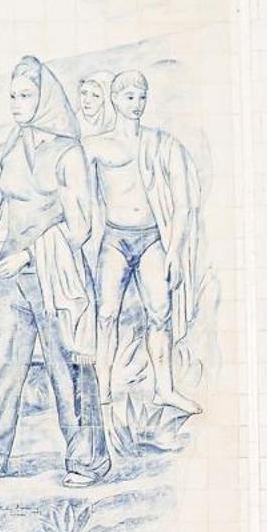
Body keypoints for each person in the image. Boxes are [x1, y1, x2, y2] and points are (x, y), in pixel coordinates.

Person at [0, 55, 108, 488]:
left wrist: (28, 256)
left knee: (69, 369)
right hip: (8, 277)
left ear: (45, 99)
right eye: (12, 96)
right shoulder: (8, 151)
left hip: (57, 275)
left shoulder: (69, 154)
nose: (16, 104)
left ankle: (87, 460)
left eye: (25, 96)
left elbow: (81, 227)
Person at [79, 69, 206, 414]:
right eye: (129, 96)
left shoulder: (162, 144)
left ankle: (164, 389)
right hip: (114, 239)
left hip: (151, 239)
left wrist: (175, 250)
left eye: (142, 97)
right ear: (114, 99)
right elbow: (80, 197)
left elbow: (183, 203)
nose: (137, 104)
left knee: (160, 314)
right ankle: (102, 390)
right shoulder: (94, 146)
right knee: (106, 314)